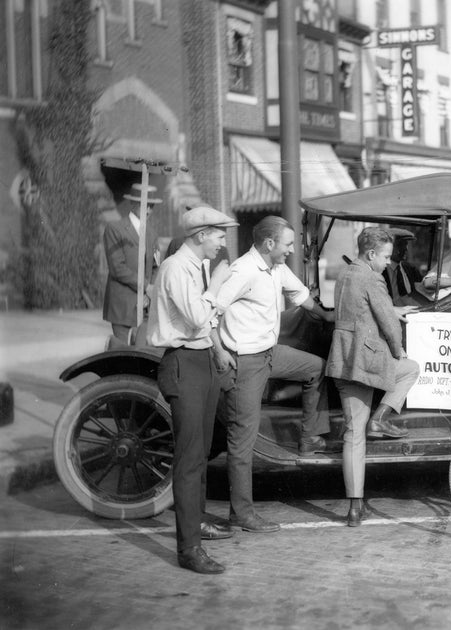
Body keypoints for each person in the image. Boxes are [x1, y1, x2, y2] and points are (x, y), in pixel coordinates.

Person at [212, 216, 335, 533]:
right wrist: (220, 351)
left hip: (270, 353)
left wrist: (329, 315)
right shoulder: (243, 271)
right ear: (269, 244)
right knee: (242, 441)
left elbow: (301, 297)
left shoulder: (275, 268)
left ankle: (308, 439)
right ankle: (241, 514)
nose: (291, 250)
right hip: (246, 361)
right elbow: (211, 312)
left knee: (316, 368)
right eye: (288, 244)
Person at [147, 205, 238, 575]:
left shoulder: (196, 267)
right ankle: (189, 550)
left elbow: (205, 325)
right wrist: (217, 285)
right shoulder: (176, 268)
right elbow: (199, 317)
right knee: (188, 460)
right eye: (219, 235)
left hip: (200, 361)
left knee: (199, 454)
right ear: (201, 235)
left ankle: (196, 524)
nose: (222, 242)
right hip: (182, 363)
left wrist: (217, 350)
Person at [326, 227, 420, 527]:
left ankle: (354, 509)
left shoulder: (346, 273)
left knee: (354, 435)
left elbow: (361, 305)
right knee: (411, 368)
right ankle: (381, 416)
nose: (388, 263)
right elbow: (389, 325)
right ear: (371, 254)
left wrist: (391, 307)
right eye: (386, 257)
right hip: (368, 361)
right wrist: (398, 349)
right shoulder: (373, 277)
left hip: (343, 359)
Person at [102, 183, 161, 344]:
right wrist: (145, 286)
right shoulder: (115, 229)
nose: (148, 210)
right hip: (124, 304)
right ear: (133, 203)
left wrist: (150, 290)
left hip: (145, 304)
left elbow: (156, 265)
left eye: (152, 206)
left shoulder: (151, 233)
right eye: (145, 205)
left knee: (141, 350)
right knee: (122, 351)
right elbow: (117, 268)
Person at [382, 228, 423, 301]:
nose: (406, 249)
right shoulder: (379, 271)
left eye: (406, 244)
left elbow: (422, 290)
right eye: (400, 245)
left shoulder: (411, 269)